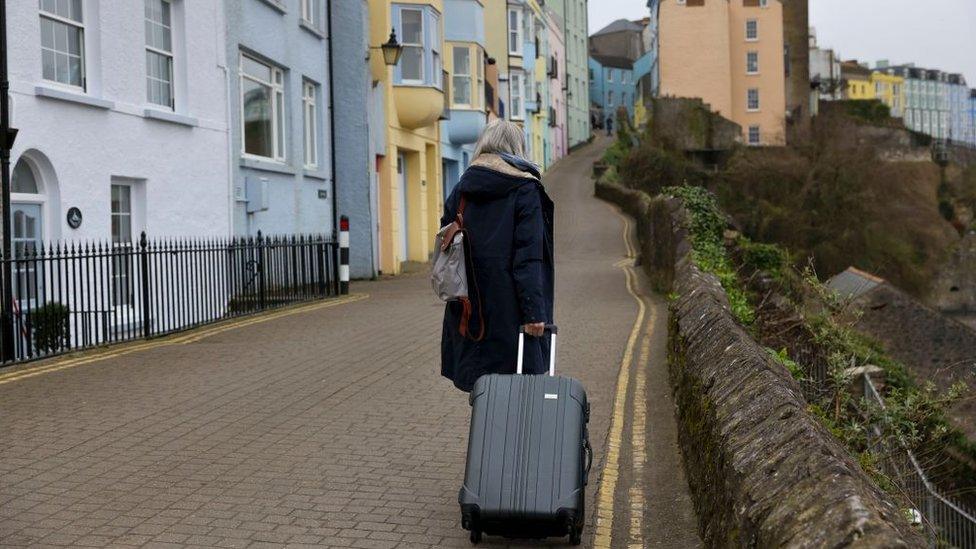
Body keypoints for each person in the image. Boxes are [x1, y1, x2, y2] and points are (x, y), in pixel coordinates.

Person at [440, 120, 555, 392]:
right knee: (520, 393)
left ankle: (486, 434)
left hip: (470, 308)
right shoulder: (525, 189)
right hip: (513, 309)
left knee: (484, 390)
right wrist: (534, 313)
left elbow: (447, 246)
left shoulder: (462, 188)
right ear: (518, 148)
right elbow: (528, 258)